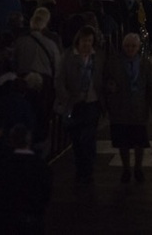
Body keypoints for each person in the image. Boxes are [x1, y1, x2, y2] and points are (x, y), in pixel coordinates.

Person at [103, 32, 152, 184]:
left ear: (138, 47)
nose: (130, 49)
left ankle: (138, 167)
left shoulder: (145, 64)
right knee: (123, 142)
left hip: (138, 107)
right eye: (127, 46)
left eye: (133, 46)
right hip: (120, 108)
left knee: (139, 141)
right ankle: (126, 168)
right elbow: (106, 82)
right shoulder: (114, 63)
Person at [54, 25, 104, 185]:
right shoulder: (68, 57)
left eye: (90, 41)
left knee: (88, 138)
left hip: (91, 102)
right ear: (78, 41)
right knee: (77, 139)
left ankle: (87, 170)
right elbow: (60, 80)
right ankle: (80, 168)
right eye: (84, 41)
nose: (87, 44)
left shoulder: (97, 57)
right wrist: (66, 98)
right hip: (74, 103)